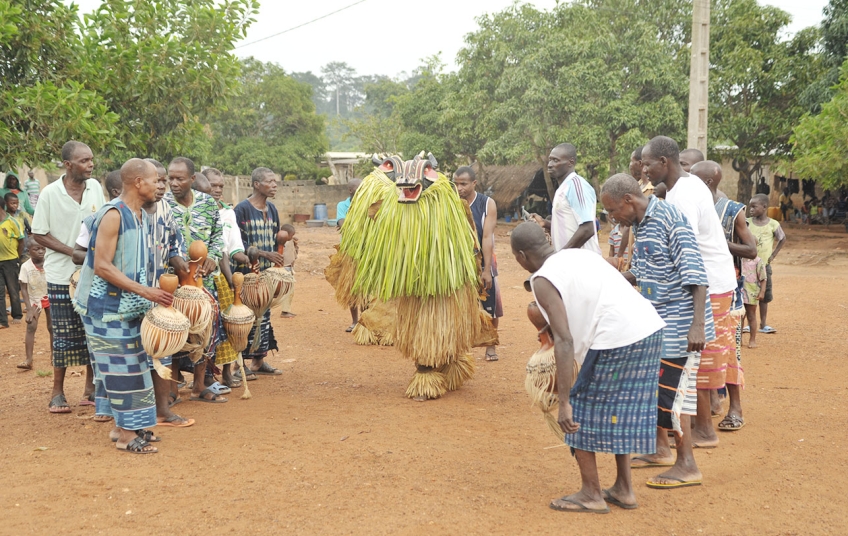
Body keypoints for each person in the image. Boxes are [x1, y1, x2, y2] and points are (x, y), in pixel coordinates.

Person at [511, 222, 666, 511]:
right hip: (648, 329)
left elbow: (564, 339)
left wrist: (565, 402)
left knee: (577, 410)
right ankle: (623, 489)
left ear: (521, 256)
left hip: (615, 337)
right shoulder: (581, 255)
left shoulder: (542, 279)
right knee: (620, 409)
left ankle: (591, 494)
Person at [600, 173, 713, 490]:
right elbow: (642, 270)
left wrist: (697, 325)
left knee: (676, 392)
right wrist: (612, 279)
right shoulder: (639, 224)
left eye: (613, 211)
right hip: (659, 318)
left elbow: (695, 272)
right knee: (659, 386)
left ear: (628, 200)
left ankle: (687, 464)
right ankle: (661, 449)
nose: (613, 219)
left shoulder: (668, 218)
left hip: (682, 320)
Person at [642, 136, 739, 448]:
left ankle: (704, 430)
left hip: (706, 283)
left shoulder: (682, 196)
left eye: (647, 164)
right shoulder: (683, 186)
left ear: (663, 162)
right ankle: (694, 424)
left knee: (697, 356)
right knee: (697, 356)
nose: (644, 170)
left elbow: (687, 249)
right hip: (708, 279)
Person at [74, 158, 174, 454]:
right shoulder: (113, 214)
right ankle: (127, 437)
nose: (160, 186)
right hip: (106, 308)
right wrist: (146, 291)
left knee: (134, 367)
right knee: (123, 371)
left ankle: (123, 427)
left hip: (128, 306)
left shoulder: (139, 213)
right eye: (155, 180)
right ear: (138, 182)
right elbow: (102, 266)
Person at [31, 141, 104, 414]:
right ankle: (57, 392)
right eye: (84, 161)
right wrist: (72, 252)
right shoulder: (50, 193)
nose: (90, 164)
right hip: (61, 275)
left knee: (92, 332)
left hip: (92, 273)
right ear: (68, 164)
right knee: (61, 334)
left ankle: (90, 389)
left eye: (91, 159)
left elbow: (104, 223)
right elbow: (39, 233)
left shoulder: (95, 187)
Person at [691, 160, 757, 431]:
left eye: (688, 168)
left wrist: (717, 242)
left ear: (708, 180)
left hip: (725, 290)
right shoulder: (689, 203)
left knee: (728, 351)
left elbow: (751, 250)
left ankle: (735, 408)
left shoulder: (731, 209)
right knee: (702, 350)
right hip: (698, 286)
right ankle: (709, 405)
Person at [164, 156, 227, 403]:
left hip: (204, 281)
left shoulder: (208, 203)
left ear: (192, 179)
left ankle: (199, 386)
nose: (173, 183)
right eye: (170, 178)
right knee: (173, 331)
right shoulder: (162, 204)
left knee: (204, 331)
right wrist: (172, 260)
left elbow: (218, 236)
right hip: (173, 281)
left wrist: (212, 258)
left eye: (179, 178)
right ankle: (171, 388)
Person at [141, 158, 194, 428]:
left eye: (164, 181)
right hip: (131, 294)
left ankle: (162, 410)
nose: (163, 186)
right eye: (158, 180)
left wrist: (182, 264)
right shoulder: (123, 211)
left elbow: (174, 245)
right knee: (132, 356)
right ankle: (127, 415)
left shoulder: (165, 209)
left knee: (162, 351)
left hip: (160, 293)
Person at [233, 167, 285, 376]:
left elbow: (276, 238)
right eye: (269, 181)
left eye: (275, 181)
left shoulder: (272, 209)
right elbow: (237, 244)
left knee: (263, 317)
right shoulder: (241, 209)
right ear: (256, 184)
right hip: (246, 273)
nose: (274, 185)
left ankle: (258, 360)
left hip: (265, 274)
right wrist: (265, 254)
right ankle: (238, 365)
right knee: (243, 318)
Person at [205, 167, 250, 387]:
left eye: (220, 186)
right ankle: (205, 376)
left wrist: (248, 258)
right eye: (212, 185)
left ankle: (226, 372)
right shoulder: (196, 210)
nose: (217, 189)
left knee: (226, 325)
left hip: (220, 274)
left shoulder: (227, 213)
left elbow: (232, 248)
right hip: (200, 274)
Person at [454, 166, 503, 361]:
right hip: (459, 263)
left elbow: (487, 237)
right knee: (461, 305)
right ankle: (461, 347)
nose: (459, 188)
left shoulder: (487, 204)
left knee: (490, 305)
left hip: (483, 259)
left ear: (474, 183)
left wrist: (487, 270)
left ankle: (490, 345)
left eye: (463, 184)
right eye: (456, 184)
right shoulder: (451, 203)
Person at [531, 143, 601, 254]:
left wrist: (562, 255)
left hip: (582, 260)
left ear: (570, 162)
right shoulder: (563, 188)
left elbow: (588, 228)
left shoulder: (576, 185)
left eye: (555, 160)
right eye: (550, 160)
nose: (550, 165)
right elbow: (570, 226)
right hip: (569, 260)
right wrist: (545, 223)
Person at [746, 194, 785, 335]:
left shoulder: (773, 224)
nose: (751, 209)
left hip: (764, 266)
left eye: (754, 207)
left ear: (764, 207)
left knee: (764, 295)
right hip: (748, 266)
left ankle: (763, 323)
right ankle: (749, 324)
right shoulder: (746, 223)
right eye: (750, 207)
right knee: (747, 294)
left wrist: (773, 255)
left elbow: (782, 238)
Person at [17, 238, 51, 370]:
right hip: (34, 300)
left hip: (50, 297)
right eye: (36, 249)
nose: (41, 251)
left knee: (52, 327)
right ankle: (29, 360)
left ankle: (55, 357)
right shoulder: (26, 267)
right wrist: (29, 309)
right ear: (28, 251)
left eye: (43, 248)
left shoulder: (50, 263)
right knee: (31, 327)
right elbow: (24, 289)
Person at [337, 178, 362, 331]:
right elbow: (342, 224)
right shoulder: (342, 205)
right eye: (359, 188)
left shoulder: (368, 204)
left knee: (366, 288)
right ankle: (355, 322)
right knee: (351, 287)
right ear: (351, 190)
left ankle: (366, 322)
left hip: (366, 252)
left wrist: (348, 225)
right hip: (349, 253)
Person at [0, 196, 25, 327]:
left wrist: (17, 258)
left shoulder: (12, 222)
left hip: (11, 260)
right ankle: (2, 320)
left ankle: (17, 314)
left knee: (13, 288)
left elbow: (21, 241)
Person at [740, 256, 767, 348]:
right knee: (740, 317)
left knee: (751, 315)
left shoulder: (758, 261)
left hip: (752, 292)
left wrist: (762, 292)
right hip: (740, 291)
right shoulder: (738, 259)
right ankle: (739, 339)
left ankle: (752, 339)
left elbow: (763, 278)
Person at [278, 223, 298, 318]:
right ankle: (285, 311)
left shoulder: (290, 241)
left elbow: (294, 254)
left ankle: (286, 310)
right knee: (287, 291)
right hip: (285, 269)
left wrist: (295, 245)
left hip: (289, 268)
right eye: (291, 235)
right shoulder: (281, 243)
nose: (292, 237)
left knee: (289, 291)